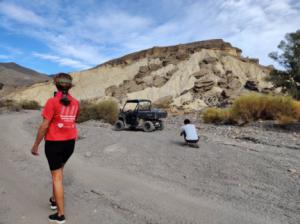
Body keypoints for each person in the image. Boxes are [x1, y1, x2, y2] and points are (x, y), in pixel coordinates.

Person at [31, 73, 80, 223]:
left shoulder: (52, 102)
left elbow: (44, 125)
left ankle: (60, 215)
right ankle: (54, 200)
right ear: (70, 86)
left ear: (56, 84)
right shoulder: (76, 102)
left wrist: (36, 144)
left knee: (57, 177)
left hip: (55, 144)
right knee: (59, 172)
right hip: (69, 143)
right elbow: (74, 120)